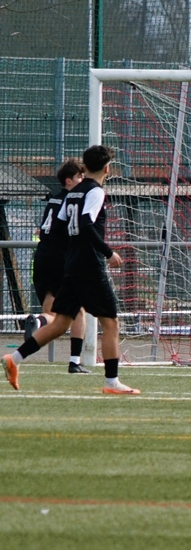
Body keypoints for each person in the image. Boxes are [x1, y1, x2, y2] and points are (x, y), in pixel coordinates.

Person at [3, 145, 139, 394]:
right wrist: (108, 253)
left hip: (71, 264)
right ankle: (112, 382)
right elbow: (86, 222)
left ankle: (15, 358)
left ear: (84, 167)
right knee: (111, 322)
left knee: (61, 323)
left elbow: (61, 224)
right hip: (89, 266)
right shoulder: (96, 191)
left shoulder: (73, 192)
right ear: (107, 169)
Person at [24, 159, 90, 374]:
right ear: (69, 181)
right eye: (80, 177)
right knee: (78, 311)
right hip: (61, 258)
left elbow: (44, 230)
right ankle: (74, 361)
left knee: (50, 311)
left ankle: (39, 321)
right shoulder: (73, 202)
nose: (83, 181)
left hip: (42, 256)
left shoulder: (52, 200)